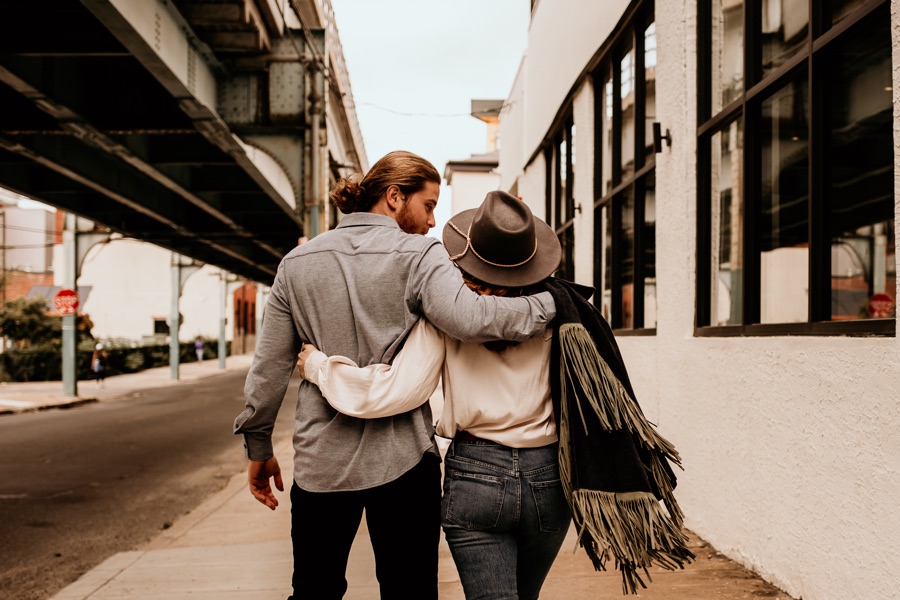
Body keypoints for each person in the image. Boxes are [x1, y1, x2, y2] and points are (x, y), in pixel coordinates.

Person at [298, 190, 694, 598]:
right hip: (549, 477)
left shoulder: (445, 316)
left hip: (476, 476)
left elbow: (392, 392)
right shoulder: (562, 313)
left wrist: (317, 366)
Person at [233, 152, 558, 600]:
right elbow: (472, 319)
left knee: (314, 589)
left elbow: (269, 365)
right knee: (410, 592)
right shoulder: (421, 255)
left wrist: (258, 444)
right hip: (403, 460)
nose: (431, 221)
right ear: (393, 196)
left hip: (321, 463)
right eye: (428, 206)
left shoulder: (297, 264)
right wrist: (555, 303)